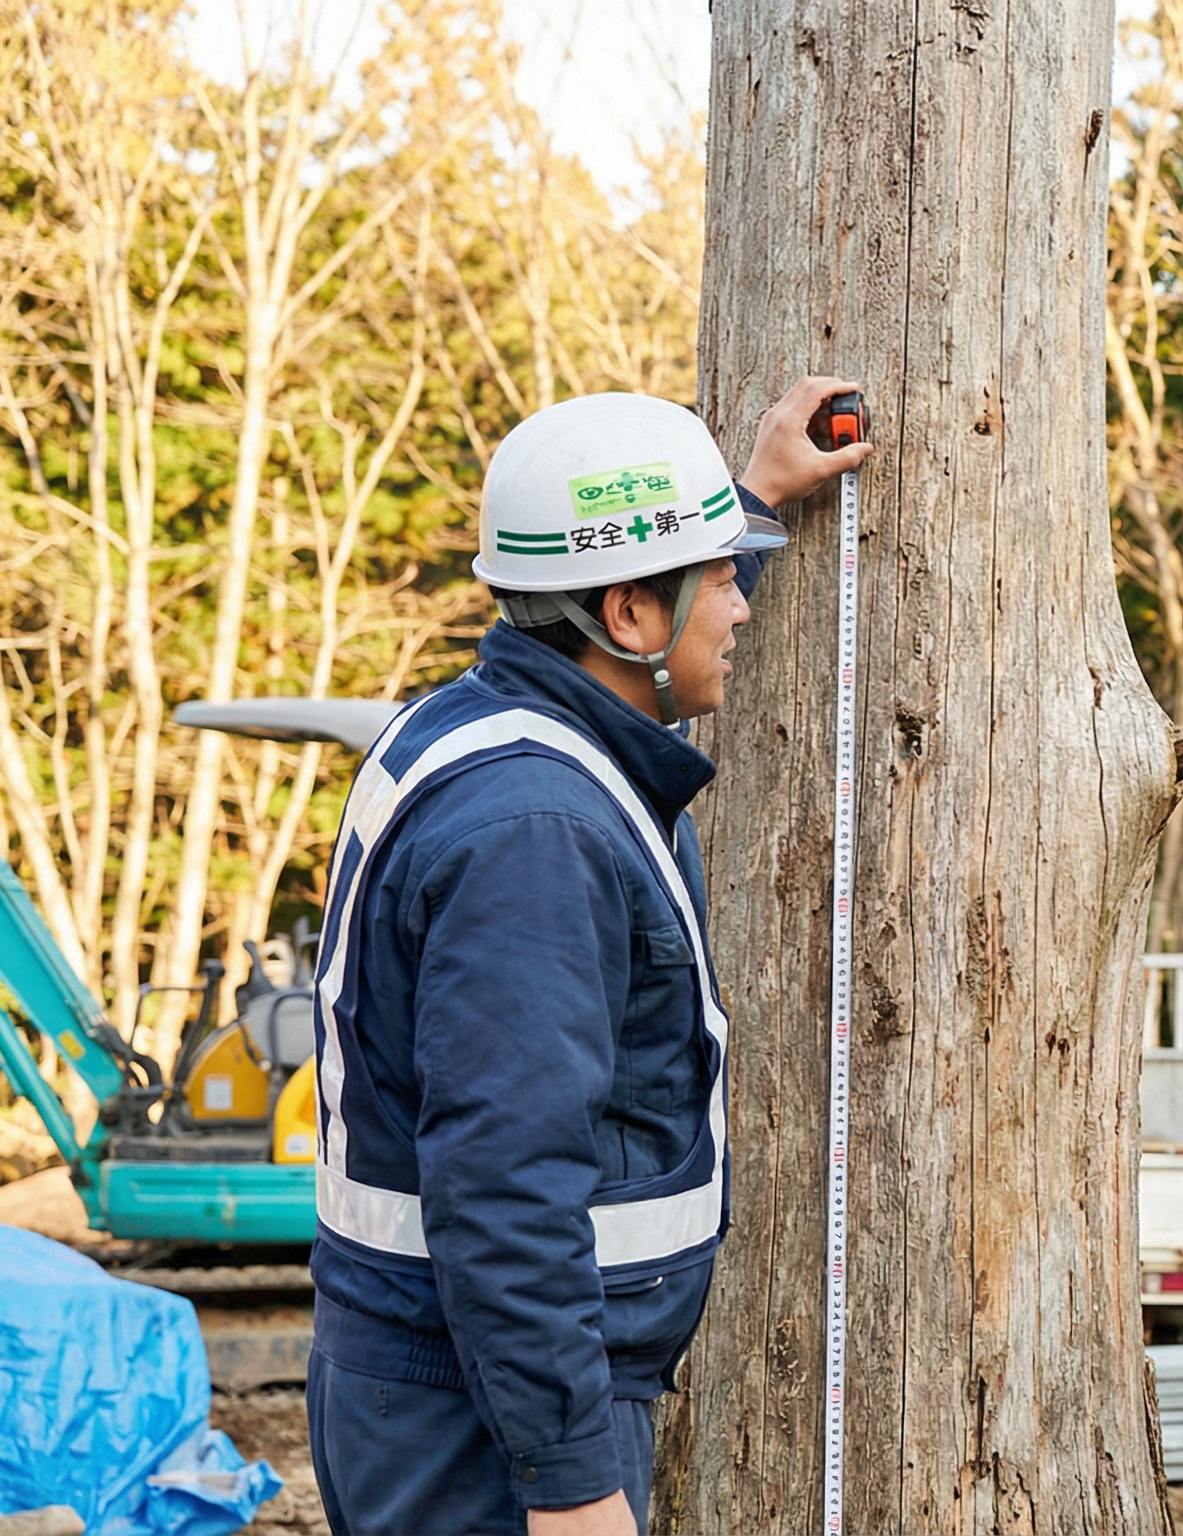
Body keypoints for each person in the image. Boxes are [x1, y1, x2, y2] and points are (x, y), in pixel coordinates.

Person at [306, 380, 874, 1536]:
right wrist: (569, 1486)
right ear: (626, 616)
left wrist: (749, 498)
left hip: (455, 1381)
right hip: (491, 1428)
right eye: (719, 579)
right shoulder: (534, 835)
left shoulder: (492, 722)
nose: (742, 607)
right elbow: (505, 1183)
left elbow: (627, 682)